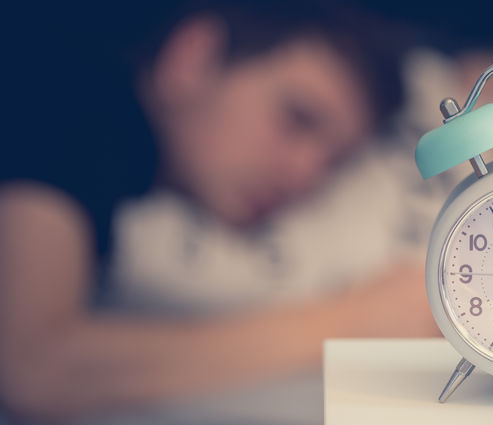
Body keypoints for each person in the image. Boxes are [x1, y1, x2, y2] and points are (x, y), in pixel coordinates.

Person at [0, 2, 437, 422]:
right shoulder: (67, 101)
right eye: (297, 119)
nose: (305, 174)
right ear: (193, 56)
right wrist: (349, 319)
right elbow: (29, 366)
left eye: (332, 162)